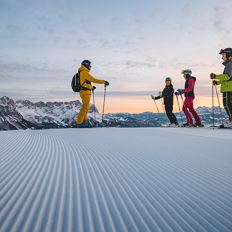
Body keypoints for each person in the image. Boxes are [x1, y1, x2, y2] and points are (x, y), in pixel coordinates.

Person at [77, 60, 109, 128]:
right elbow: (94, 80)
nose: (90, 67)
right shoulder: (84, 72)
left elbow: (85, 83)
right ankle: (80, 123)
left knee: (86, 107)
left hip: (85, 92)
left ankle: (83, 122)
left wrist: (91, 87)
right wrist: (104, 82)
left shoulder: (82, 72)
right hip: (85, 92)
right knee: (85, 107)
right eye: (89, 65)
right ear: (86, 65)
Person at [210, 48, 232, 126]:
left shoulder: (230, 64)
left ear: (229, 55)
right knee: (228, 105)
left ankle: (231, 121)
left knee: (227, 105)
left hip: (229, 88)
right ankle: (230, 120)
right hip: (228, 87)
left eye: (223, 54)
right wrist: (218, 82)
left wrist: (215, 76)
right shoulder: (229, 64)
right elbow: (228, 78)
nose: (222, 57)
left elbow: (227, 76)